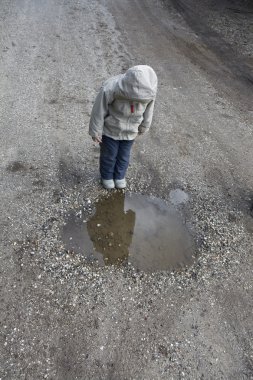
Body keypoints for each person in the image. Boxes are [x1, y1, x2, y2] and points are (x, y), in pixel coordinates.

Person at [89, 65, 158, 189]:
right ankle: (107, 176)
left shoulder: (149, 92)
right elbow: (98, 110)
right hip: (111, 129)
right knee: (109, 155)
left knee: (124, 156)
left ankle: (119, 176)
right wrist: (96, 130)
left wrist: (144, 126)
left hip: (131, 131)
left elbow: (149, 111)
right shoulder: (110, 88)